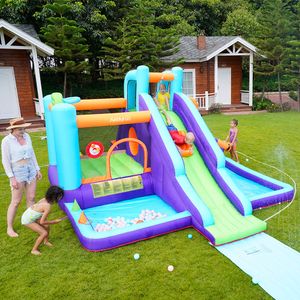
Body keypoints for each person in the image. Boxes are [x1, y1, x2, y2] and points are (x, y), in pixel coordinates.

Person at [1, 117, 42, 237]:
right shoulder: (7, 141)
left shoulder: (27, 137)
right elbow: (5, 161)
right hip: (17, 172)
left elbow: (32, 153)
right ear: (13, 129)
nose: (23, 131)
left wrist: (37, 168)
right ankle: (10, 227)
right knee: (16, 201)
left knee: (31, 197)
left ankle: (30, 220)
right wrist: (11, 177)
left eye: (24, 128)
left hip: (31, 169)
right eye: (20, 129)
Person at [21, 185, 65, 255]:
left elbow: (40, 214)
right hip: (27, 220)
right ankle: (34, 250)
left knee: (47, 226)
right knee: (44, 233)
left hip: (30, 214)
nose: (60, 198)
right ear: (54, 197)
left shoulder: (44, 199)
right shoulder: (47, 206)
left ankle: (46, 241)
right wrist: (54, 221)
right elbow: (42, 222)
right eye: (59, 196)